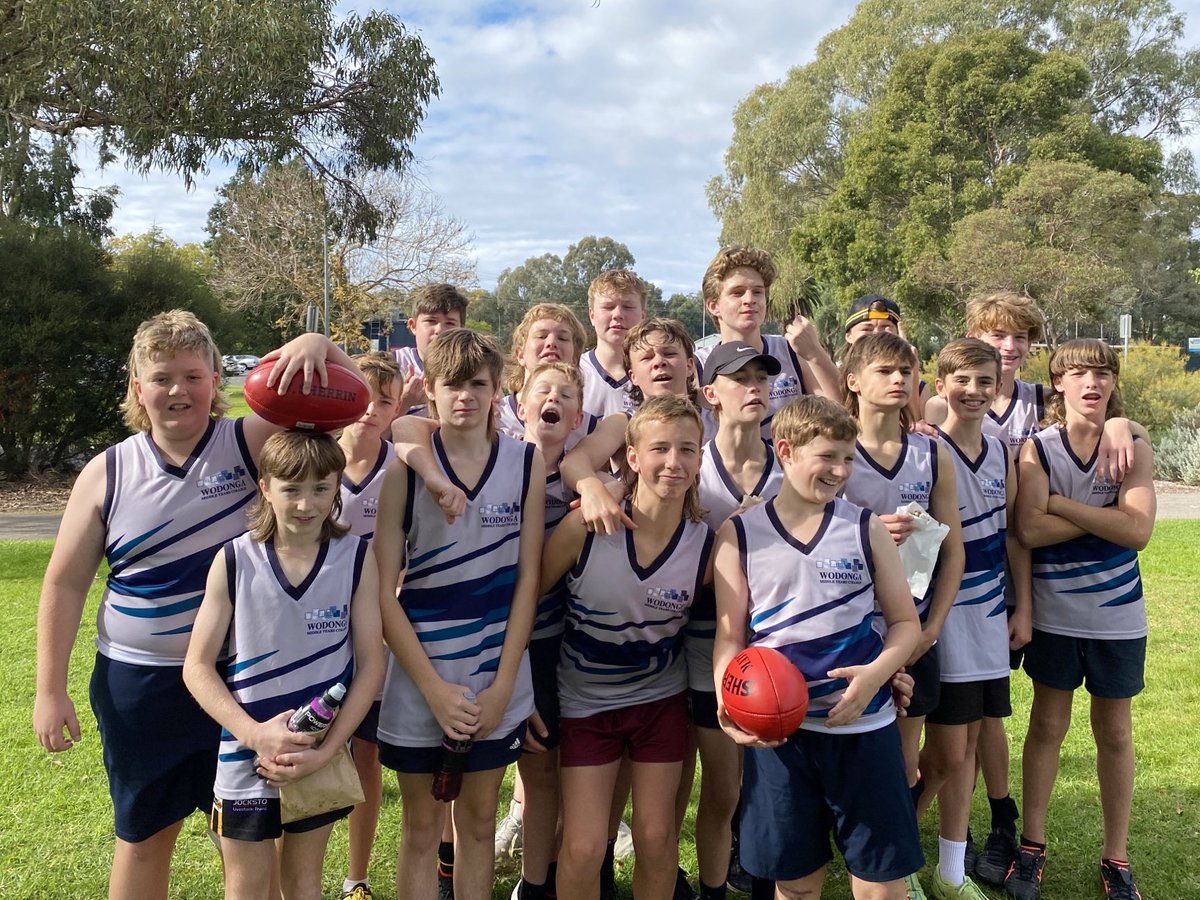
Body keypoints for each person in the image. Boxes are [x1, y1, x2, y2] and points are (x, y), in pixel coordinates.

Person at [32, 310, 360, 900]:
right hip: (141, 686)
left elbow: (354, 402)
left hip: (242, 681)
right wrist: (49, 690)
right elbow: (64, 584)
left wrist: (316, 342)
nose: (177, 391)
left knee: (253, 844)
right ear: (138, 387)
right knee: (144, 837)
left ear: (216, 379)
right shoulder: (108, 472)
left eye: (191, 375)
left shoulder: (250, 442)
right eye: (161, 378)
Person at [923, 291, 1140, 884]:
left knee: (992, 713)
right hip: (956, 589)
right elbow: (1026, 522)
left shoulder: (1039, 399)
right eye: (997, 336)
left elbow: (1097, 404)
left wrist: (1121, 422)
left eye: (1019, 337)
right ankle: (967, 834)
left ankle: (997, 826)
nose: (1009, 347)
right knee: (969, 723)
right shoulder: (941, 408)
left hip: (1020, 587)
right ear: (970, 339)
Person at [712, 395, 923, 900]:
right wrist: (728, 697)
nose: (840, 470)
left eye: (848, 458)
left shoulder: (865, 527)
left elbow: (905, 624)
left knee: (881, 883)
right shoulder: (740, 533)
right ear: (786, 451)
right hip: (783, 739)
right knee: (796, 884)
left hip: (865, 728)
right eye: (827, 456)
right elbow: (730, 636)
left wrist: (876, 675)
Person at [373, 328, 546, 900]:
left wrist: (503, 686)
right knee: (421, 829)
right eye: (451, 384)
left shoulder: (526, 462)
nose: (465, 396)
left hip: (496, 678)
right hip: (420, 679)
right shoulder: (405, 470)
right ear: (430, 390)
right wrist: (431, 688)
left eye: (478, 384)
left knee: (477, 824)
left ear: (499, 389)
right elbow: (382, 592)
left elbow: (528, 580)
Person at [183, 430, 384, 900]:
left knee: (303, 884)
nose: (306, 504)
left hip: (317, 754)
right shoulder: (234, 559)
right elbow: (197, 666)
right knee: (247, 887)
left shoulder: (355, 557)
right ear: (265, 487)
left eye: (321, 488)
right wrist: (254, 735)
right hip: (246, 754)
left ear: (337, 487)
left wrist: (326, 750)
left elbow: (372, 665)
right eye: (291, 489)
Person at [543, 395, 714, 900]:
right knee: (582, 848)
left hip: (659, 702)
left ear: (700, 458)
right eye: (659, 448)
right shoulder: (583, 528)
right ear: (633, 458)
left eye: (687, 449)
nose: (673, 462)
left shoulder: (708, 545)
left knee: (657, 840)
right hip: (585, 704)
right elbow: (529, 603)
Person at [1008, 339, 1155, 900]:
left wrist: (1061, 505)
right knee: (1047, 727)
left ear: (1114, 382)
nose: (1091, 382)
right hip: (1055, 615)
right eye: (1078, 373)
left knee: (1114, 733)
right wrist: (1107, 515)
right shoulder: (1038, 449)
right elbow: (1029, 530)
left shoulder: (1132, 446)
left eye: (1102, 372)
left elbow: (1138, 532)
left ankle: (1116, 856)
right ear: (1058, 383)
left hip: (1119, 619)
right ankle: (1032, 846)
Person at [840, 331, 965, 900]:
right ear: (853, 381)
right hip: (848, 633)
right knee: (845, 755)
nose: (899, 380)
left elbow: (953, 550)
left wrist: (932, 628)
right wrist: (864, 534)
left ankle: (896, 868)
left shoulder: (931, 453)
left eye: (906, 371)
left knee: (903, 765)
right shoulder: (834, 447)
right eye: (885, 370)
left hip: (913, 632)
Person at [918, 340, 1030, 900]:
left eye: (985, 381)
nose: (974, 390)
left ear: (998, 387)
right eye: (962, 380)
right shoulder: (925, 448)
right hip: (945, 615)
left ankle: (951, 871)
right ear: (941, 386)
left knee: (967, 749)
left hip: (990, 616)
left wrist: (1022, 605)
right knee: (947, 752)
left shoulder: (1002, 448)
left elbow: (1012, 535)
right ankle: (897, 852)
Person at [690, 341, 785, 900]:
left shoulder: (788, 463)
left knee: (769, 786)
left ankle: (765, 880)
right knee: (723, 787)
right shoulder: (691, 465)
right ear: (711, 394)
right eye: (739, 378)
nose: (754, 387)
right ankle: (713, 888)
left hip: (776, 640)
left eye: (762, 378)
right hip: (706, 637)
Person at [504, 361, 588, 900]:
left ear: (577, 417)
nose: (553, 399)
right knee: (487, 773)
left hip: (561, 642)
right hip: (500, 640)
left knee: (546, 767)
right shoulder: (499, 464)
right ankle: (451, 865)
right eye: (542, 391)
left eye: (565, 394)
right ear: (520, 407)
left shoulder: (586, 478)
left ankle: (542, 880)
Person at [337, 352, 404, 900]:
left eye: (385, 400)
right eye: (362, 396)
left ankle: (356, 877)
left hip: (376, 632)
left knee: (367, 756)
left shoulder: (404, 466)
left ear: (398, 407)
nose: (371, 409)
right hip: (314, 631)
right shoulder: (312, 458)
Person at [561, 317, 702, 537]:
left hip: (706, 537)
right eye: (647, 357)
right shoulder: (624, 423)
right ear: (632, 376)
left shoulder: (716, 415)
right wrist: (593, 489)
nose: (659, 362)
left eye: (669, 353)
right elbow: (573, 462)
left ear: (690, 365)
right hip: (637, 537)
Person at [694, 245, 842, 437]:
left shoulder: (792, 350)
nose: (749, 299)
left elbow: (841, 416)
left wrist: (815, 353)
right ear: (713, 306)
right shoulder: (698, 365)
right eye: (737, 292)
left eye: (757, 292)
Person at [498, 303, 598, 445]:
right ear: (520, 355)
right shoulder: (496, 417)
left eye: (562, 338)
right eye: (541, 336)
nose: (551, 343)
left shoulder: (588, 428)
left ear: (575, 359)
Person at [841, 293, 927, 423]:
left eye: (885, 328)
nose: (876, 335)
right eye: (867, 329)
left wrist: (911, 367)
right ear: (849, 336)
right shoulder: (832, 378)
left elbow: (915, 425)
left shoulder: (915, 384)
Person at [393, 283, 470, 418]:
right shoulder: (393, 365)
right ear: (413, 326)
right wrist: (404, 403)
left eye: (450, 323)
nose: (439, 330)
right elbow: (367, 427)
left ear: (461, 329)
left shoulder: (476, 369)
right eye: (431, 321)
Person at [581, 269, 647, 418]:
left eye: (628, 307)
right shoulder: (573, 373)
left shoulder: (656, 373)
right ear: (592, 315)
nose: (618, 314)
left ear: (643, 315)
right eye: (608, 307)